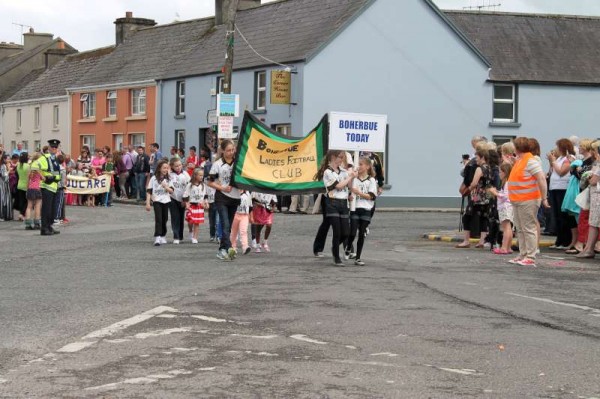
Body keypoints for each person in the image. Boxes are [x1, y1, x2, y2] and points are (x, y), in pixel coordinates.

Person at [507, 137, 549, 266]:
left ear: (518, 148)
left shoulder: (531, 161)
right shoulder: (521, 160)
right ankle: (523, 254)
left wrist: (544, 198)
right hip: (518, 199)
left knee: (528, 228)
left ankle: (531, 256)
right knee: (520, 228)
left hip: (528, 199)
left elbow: (541, 179)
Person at [314, 150, 356, 266]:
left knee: (346, 232)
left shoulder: (343, 171)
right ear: (333, 157)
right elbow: (338, 186)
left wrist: (352, 177)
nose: (341, 160)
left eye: (343, 157)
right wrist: (349, 177)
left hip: (343, 203)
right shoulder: (328, 172)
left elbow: (348, 186)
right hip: (332, 202)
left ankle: (334, 247)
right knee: (337, 231)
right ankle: (336, 257)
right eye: (340, 157)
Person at [208, 139, 241, 261]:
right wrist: (222, 187)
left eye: (233, 150)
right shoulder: (217, 164)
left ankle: (224, 249)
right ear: (222, 151)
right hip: (221, 197)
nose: (231, 152)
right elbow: (210, 182)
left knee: (229, 225)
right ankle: (227, 248)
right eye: (228, 150)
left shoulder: (237, 163)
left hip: (235, 197)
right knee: (225, 224)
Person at [456, 144, 492, 248]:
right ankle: (482, 241)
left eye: (477, 157)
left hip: (477, 196)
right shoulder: (489, 168)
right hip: (487, 196)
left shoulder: (479, 169)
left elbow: (474, 183)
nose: (476, 160)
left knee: (466, 217)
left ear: (482, 157)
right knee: (483, 218)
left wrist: (467, 190)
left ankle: (466, 241)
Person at [344, 156, 378, 266]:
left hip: (366, 209)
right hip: (355, 208)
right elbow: (349, 191)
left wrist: (358, 193)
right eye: (358, 164)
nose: (359, 166)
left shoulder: (371, 180)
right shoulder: (354, 179)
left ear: (367, 166)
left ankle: (358, 257)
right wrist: (349, 196)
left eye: (361, 164)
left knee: (362, 233)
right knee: (352, 232)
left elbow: (371, 196)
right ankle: (348, 247)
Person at [547, 138, 577, 250]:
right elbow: (553, 171)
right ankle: (559, 240)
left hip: (562, 189)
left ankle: (565, 240)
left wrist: (553, 161)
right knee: (556, 215)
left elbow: (561, 172)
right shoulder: (559, 158)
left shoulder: (568, 159)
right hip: (554, 188)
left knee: (563, 215)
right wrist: (552, 162)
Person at [35, 139, 62, 235]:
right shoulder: (45, 157)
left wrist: (55, 177)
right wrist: (42, 176)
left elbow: (57, 173)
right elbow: (34, 166)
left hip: (54, 186)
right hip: (47, 186)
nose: (54, 148)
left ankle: (49, 226)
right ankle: (44, 228)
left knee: (52, 208)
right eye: (52, 147)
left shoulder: (55, 158)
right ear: (49, 147)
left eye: (56, 147)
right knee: (46, 208)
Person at [146, 159, 174, 246]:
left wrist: (166, 187)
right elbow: (149, 191)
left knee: (164, 219)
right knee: (158, 218)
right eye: (164, 168)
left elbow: (171, 191)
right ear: (159, 169)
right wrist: (147, 203)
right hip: (156, 200)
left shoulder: (169, 179)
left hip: (166, 200)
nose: (166, 170)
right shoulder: (153, 178)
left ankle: (163, 235)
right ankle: (157, 237)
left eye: (167, 168)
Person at [488, 163, 514, 255]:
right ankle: (508, 247)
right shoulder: (508, 182)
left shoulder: (507, 183)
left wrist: (495, 192)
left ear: (504, 172)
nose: (499, 174)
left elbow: (505, 196)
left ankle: (504, 248)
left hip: (505, 207)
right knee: (509, 228)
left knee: (506, 228)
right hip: (508, 206)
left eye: (500, 172)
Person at [183, 169, 209, 244]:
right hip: (191, 205)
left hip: (199, 206)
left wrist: (206, 203)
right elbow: (186, 195)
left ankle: (195, 237)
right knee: (190, 221)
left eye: (202, 175)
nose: (201, 177)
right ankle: (190, 231)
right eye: (200, 175)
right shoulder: (190, 185)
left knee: (197, 222)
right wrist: (187, 203)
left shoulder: (203, 185)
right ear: (195, 175)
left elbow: (205, 195)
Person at [168, 157, 190, 244]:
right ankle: (176, 236)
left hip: (182, 199)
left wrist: (185, 200)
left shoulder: (185, 174)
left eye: (180, 165)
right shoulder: (170, 175)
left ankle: (180, 235)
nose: (178, 167)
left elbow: (188, 187)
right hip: (172, 198)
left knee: (181, 217)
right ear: (172, 166)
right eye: (176, 166)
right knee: (175, 217)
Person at [231, 190, 253, 255]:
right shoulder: (234, 192)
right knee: (233, 232)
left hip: (245, 215)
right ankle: (233, 247)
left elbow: (250, 206)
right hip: (235, 214)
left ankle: (245, 247)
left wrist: (251, 217)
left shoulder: (248, 194)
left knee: (243, 231)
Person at [25, 153, 43, 230]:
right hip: (37, 188)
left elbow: (27, 179)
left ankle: (28, 224)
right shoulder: (39, 168)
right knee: (37, 206)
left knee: (29, 206)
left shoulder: (30, 167)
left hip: (30, 188)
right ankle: (37, 223)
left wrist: (27, 188)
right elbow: (43, 178)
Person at [14, 152, 29, 222]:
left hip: (19, 184)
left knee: (21, 201)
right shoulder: (28, 166)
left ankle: (21, 214)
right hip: (26, 185)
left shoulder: (18, 165)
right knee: (27, 201)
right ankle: (22, 214)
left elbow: (16, 174)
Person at [53, 154, 68, 226]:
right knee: (59, 203)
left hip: (53, 186)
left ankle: (53, 217)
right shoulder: (62, 169)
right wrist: (64, 186)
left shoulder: (54, 167)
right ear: (63, 161)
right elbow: (63, 180)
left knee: (53, 203)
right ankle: (57, 218)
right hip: (60, 188)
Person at [0, 154, 13, 221]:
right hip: (3, 185)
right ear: (4, 159)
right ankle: (2, 216)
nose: (9, 160)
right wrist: (9, 171)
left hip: (4, 185)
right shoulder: (3, 166)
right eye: (8, 159)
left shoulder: (3, 165)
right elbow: (4, 177)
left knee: (4, 199)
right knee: (3, 200)